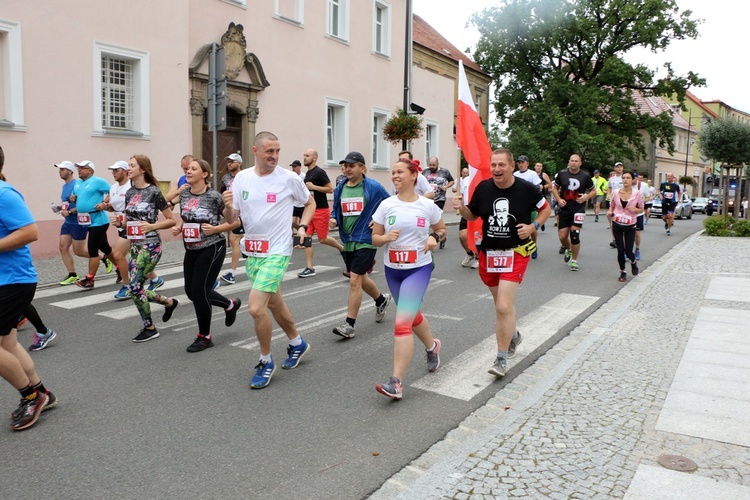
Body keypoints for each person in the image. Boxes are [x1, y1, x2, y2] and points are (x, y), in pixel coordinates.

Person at [223, 131, 315, 389]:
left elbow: (310, 203)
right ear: (255, 151)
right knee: (274, 303)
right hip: (253, 252)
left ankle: (266, 360)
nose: (274, 156)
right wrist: (228, 205)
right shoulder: (242, 178)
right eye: (269, 151)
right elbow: (234, 219)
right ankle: (298, 344)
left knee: (255, 307)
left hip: (278, 250)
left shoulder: (288, 178)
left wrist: (303, 227)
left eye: (277, 151)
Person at [453, 148, 550, 377]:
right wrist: (461, 208)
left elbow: (545, 210)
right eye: (493, 165)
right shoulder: (484, 188)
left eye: (501, 165)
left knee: (503, 306)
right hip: (489, 254)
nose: (497, 169)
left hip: (515, 253)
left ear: (512, 165)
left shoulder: (527, 189)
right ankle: (513, 335)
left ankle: (501, 359)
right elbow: (473, 216)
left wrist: (532, 227)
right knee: (501, 306)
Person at [371, 158, 445, 399]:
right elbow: (375, 238)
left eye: (400, 171)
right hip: (393, 269)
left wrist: (434, 237)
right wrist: (385, 239)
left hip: (418, 269)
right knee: (411, 316)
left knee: (402, 321)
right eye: (392, 172)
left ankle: (396, 383)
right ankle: (432, 346)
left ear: (414, 176)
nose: (395, 175)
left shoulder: (427, 205)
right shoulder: (386, 205)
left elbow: (442, 229)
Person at [0, 146, 57, 431]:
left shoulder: (3, 193)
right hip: (4, 280)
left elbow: (30, 232)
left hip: (13, 280)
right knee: (6, 344)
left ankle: (31, 397)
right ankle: (41, 391)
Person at [171, 159, 241, 352]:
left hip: (212, 246)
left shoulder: (214, 196)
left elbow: (234, 222)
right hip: (191, 247)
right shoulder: (184, 193)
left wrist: (217, 227)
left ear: (204, 174)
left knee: (200, 291)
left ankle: (204, 336)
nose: (188, 171)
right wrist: (179, 226)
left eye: (194, 168)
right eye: (187, 168)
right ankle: (229, 305)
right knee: (191, 292)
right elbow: (187, 216)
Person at [112, 155, 178, 343]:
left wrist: (152, 226)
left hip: (150, 246)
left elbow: (171, 220)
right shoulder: (130, 192)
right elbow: (128, 221)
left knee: (133, 287)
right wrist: (121, 223)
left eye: (132, 166)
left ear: (143, 169)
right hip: (134, 244)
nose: (128, 168)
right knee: (136, 288)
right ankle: (169, 302)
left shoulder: (154, 192)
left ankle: (150, 327)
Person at [329, 151, 392, 339]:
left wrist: (379, 220)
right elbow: (336, 209)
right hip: (348, 239)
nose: (347, 169)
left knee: (355, 279)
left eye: (352, 165)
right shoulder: (341, 187)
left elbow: (391, 204)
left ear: (362, 168)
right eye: (345, 166)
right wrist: (334, 219)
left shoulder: (373, 187)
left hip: (366, 238)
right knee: (361, 277)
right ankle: (381, 300)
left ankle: (349, 325)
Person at [106, 160, 163, 300]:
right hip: (130, 229)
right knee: (135, 264)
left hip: (146, 235)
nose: (114, 172)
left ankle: (128, 286)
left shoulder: (150, 190)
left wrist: (152, 226)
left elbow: (168, 217)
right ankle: (156, 282)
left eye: (117, 170)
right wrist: (119, 222)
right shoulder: (121, 189)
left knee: (118, 254)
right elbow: (116, 207)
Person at [296, 148, 344, 278]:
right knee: (307, 237)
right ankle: (309, 267)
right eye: (304, 155)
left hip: (321, 210)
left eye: (307, 155)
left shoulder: (319, 172)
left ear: (315, 158)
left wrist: (314, 187)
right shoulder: (307, 174)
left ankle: (342, 249)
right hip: (310, 210)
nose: (304, 158)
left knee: (323, 239)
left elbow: (330, 189)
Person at [69, 161, 115, 289]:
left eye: (83, 168)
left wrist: (105, 203)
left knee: (92, 250)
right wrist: (74, 199)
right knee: (105, 248)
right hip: (86, 221)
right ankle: (120, 267)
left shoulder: (98, 181)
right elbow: (80, 197)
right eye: (78, 168)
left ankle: (90, 279)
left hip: (99, 221)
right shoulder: (78, 183)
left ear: (90, 170)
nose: (79, 170)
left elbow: (113, 191)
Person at [551, 154, 595, 271]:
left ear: (580, 163)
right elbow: (554, 188)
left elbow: (593, 191)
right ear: (569, 162)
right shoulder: (562, 174)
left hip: (578, 208)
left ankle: (574, 261)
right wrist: (559, 200)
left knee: (574, 235)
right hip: (565, 208)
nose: (574, 163)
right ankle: (569, 249)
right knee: (562, 236)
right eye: (572, 161)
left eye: (576, 161)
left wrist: (586, 197)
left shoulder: (585, 176)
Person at [53, 161, 90, 285]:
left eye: (62, 169)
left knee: (79, 251)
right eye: (59, 170)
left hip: (78, 222)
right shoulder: (65, 187)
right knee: (63, 247)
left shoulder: (77, 185)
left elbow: (84, 204)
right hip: (68, 223)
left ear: (70, 171)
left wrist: (70, 212)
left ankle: (103, 257)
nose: (60, 172)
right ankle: (72, 274)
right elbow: (67, 203)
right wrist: (60, 207)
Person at [607, 171, 643, 282]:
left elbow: (642, 208)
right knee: (620, 250)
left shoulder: (637, 194)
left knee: (628, 250)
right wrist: (610, 212)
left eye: (628, 178)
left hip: (630, 225)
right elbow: (611, 206)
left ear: (632, 180)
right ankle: (623, 272)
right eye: (623, 178)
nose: (625, 180)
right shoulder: (616, 192)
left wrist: (635, 210)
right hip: (617, 224)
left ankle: (633, 263)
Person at [218, 153, 245, 285]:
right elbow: (222, 192)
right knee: (236, 240)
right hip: (231, 212)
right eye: (228, 161)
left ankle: (232, 274)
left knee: (235, 240)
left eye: (232, 161)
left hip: (243, 212)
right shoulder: (225, 178)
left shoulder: (245, 177)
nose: (229, 163)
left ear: (239, 163)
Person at [513, 155, 543, 258]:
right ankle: (518, 246)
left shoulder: (532, 174)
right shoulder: (515, 174)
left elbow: (539, 187)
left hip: (529, 205)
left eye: (522, 162)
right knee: (517, 226)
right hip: (517, 205)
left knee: (532, 227)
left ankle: (534, 245)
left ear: (527, 163)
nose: (520, 164)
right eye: (519, 163)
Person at [422, 156, 454, 249]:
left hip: (439, 198)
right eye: (430, 165)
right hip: (427, 199)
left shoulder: (444, 172)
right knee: (428, 218)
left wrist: (446, 186)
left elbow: (451, 181)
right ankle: (439, 236)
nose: (431, 166)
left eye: (433, 165)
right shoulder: (425, 172)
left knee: (435, 218)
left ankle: (438, 234)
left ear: (437, 164)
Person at [456, 166, 478, 269]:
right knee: (462, 235)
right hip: (467, 209)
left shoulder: (480, 177)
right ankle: (470, 254)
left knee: (477, 236)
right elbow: (462, 193)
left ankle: (478, 257)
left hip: (478, 209)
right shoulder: (465, 180)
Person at [633, 172, 651, 261]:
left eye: (634, 178)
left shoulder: (643, 186)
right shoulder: (625, 185)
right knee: (625, 233)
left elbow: (648, 197)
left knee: (637, 233)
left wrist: (642, 201)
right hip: (627, 213)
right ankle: (626, 251)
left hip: (639, 214)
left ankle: (637, 249)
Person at [607, 162, 624, 248]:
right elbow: (609, 187)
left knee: (621, 220)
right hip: (614, 201)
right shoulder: (612, 179)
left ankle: (622, 239)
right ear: (615, 169)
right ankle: (614, 239)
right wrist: (609, 195)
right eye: (617, 167)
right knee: (611, 217)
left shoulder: (625, 178)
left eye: (621, 167)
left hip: (623, 201)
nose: (619, 168)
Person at [290, 160, 306, 230]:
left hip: (302, 204)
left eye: (295, 166)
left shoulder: (304, 176)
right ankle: (300, 232)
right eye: (292, 167)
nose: (293, 168)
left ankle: (302, 235)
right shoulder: (291, 176)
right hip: (295, 203)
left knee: (302, 223)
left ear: (299, 167)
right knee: (293, 222)